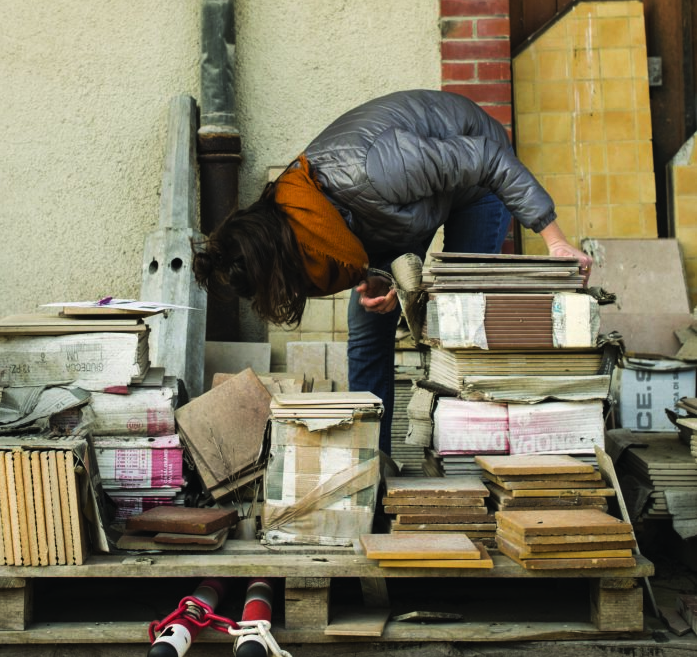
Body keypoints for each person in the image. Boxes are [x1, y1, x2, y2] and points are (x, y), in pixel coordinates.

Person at [191, 89, 592, 453]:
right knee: (367, 322)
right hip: (397, 211)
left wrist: (553, 239)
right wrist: (383, 279)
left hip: (477, 177)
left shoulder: (377, 171)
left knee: (457, 318)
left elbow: (487, 159)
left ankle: (467, 451)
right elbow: (352, 245)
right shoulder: (305, 219)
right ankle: (371, 459)